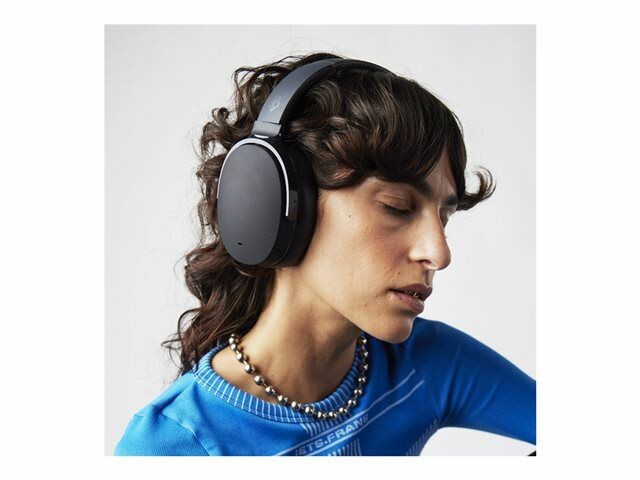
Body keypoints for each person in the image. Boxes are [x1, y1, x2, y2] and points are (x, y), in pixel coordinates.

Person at [114, 52, 536, 456]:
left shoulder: (429, 364)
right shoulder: (173, 446)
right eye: (397, 207)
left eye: (443, 218)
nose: (439, 253)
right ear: (278, 205)